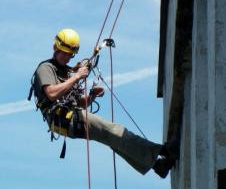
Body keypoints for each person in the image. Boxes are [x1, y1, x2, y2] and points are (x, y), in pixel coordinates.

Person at [28, 28, 179, 178]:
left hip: (70, 117)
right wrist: (77, 76)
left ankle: (158, 166)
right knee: (114, 130)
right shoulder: (46, 68)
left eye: (71, 55)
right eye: (65, 53)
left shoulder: (65, 71)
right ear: (55, 48)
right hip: (64, 119)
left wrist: (91, 96)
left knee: (112, 138)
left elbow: (80, 104)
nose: (68, 58)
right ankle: (163, 151)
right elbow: (52, 93)